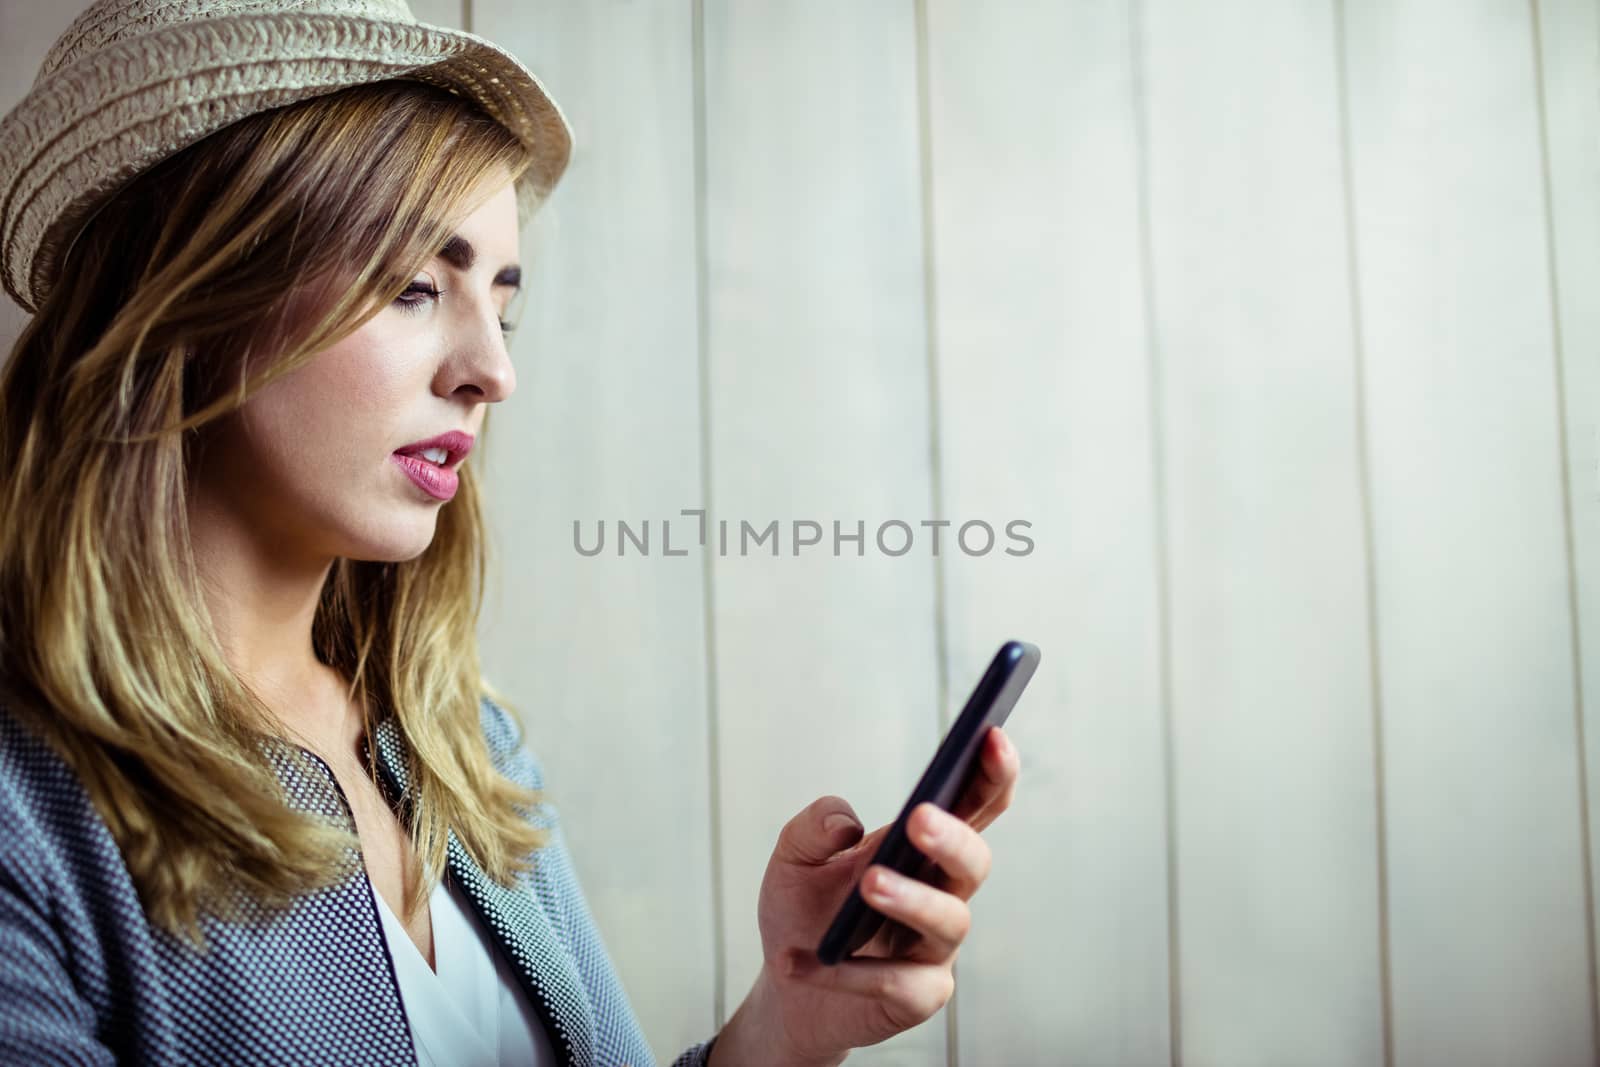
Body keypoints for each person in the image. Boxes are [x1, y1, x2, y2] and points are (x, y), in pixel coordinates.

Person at [0, 2, 1024, 1065]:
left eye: (503, 305)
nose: (493, 371)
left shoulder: (462, 745)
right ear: (188, 301)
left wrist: (787, 1021)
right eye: (410, 288)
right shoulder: (28, 811)